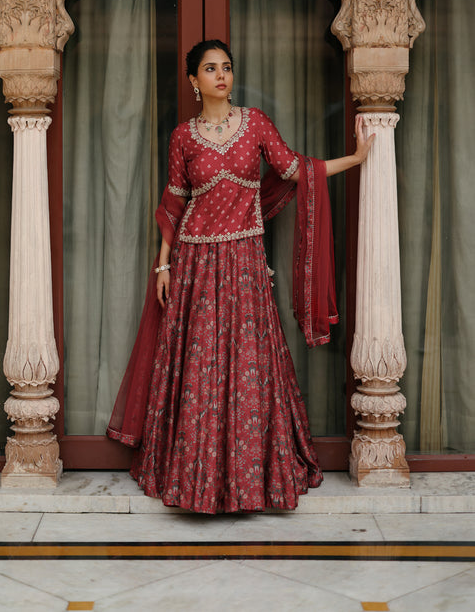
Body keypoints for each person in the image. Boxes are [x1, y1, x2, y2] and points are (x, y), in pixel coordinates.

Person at [107, 39, 374, 514]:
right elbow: (174, 204)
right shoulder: (183, 138)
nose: (221, 76)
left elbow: (294, 170)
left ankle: (252, 482)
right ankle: (195, 482)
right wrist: (164, 264)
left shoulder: (255, 125)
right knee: (199, 371)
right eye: (210, 69)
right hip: (195, 267)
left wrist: (353, 160)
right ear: (194, 81)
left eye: (226, 67)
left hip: (246, 263)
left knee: (249, 366)